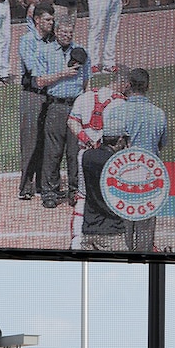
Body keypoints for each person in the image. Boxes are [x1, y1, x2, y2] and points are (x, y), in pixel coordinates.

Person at [68, 69, 130, 250]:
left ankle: (76, 241)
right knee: (111, 198)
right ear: (124, 84)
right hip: (111, 159)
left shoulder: (85, 96)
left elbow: (71, 121)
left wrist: (87, 140)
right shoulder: (121, 103)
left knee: (83, 197)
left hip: (85, 155)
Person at [35, 18, 90, 208]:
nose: (67, 36)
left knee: (75, 151)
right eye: (64, 32)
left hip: (76, 106)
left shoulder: (82, 52)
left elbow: (86, 81)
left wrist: (88, 104)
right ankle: (50, 191)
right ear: (56, 32)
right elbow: (40, 81)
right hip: (56, 106)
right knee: (53, 151)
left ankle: (75, 191)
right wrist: (63, 74)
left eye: (70, 33)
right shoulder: (45, 51)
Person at [111, 67, 166, 251]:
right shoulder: (159, 114)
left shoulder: (116, 111)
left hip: (121, 177)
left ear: (128, 85)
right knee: (146, 228)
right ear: (148, 86)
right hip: (149, 177)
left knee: (123, 225)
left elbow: (110, 145)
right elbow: (161, 143)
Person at [17, 3, 54, 200]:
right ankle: (25, 186)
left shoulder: (52, 41)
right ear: (37, 20)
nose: (51, 23)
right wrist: (56, 74)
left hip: (50, 94)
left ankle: (43, 184)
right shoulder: (27, 41)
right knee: (30, 140)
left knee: (47, 141)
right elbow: (34, 70)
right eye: (47, 19)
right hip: (32, 93)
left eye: (52, 19)